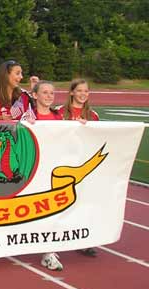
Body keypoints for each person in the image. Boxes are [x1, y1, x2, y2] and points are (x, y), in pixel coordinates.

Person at [22, 80, 63, 271]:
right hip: (32, 172)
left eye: (51, 93)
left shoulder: (59, 117)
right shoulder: (28, 116)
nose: (48, 96)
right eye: (44, 92)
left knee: (51, 210)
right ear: (35, 95)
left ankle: (49, 252)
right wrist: (25, 125)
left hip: (52, 171)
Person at [57, 78, 99, 258]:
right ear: (72, 92)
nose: (83, 94)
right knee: (62, 203)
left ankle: (84, 241)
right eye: (79, 91)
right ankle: (55, 239)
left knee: (84, 202)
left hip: (83, 164)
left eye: (86, 91)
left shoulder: (93, 115)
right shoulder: (60, 112)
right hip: (63, 164)